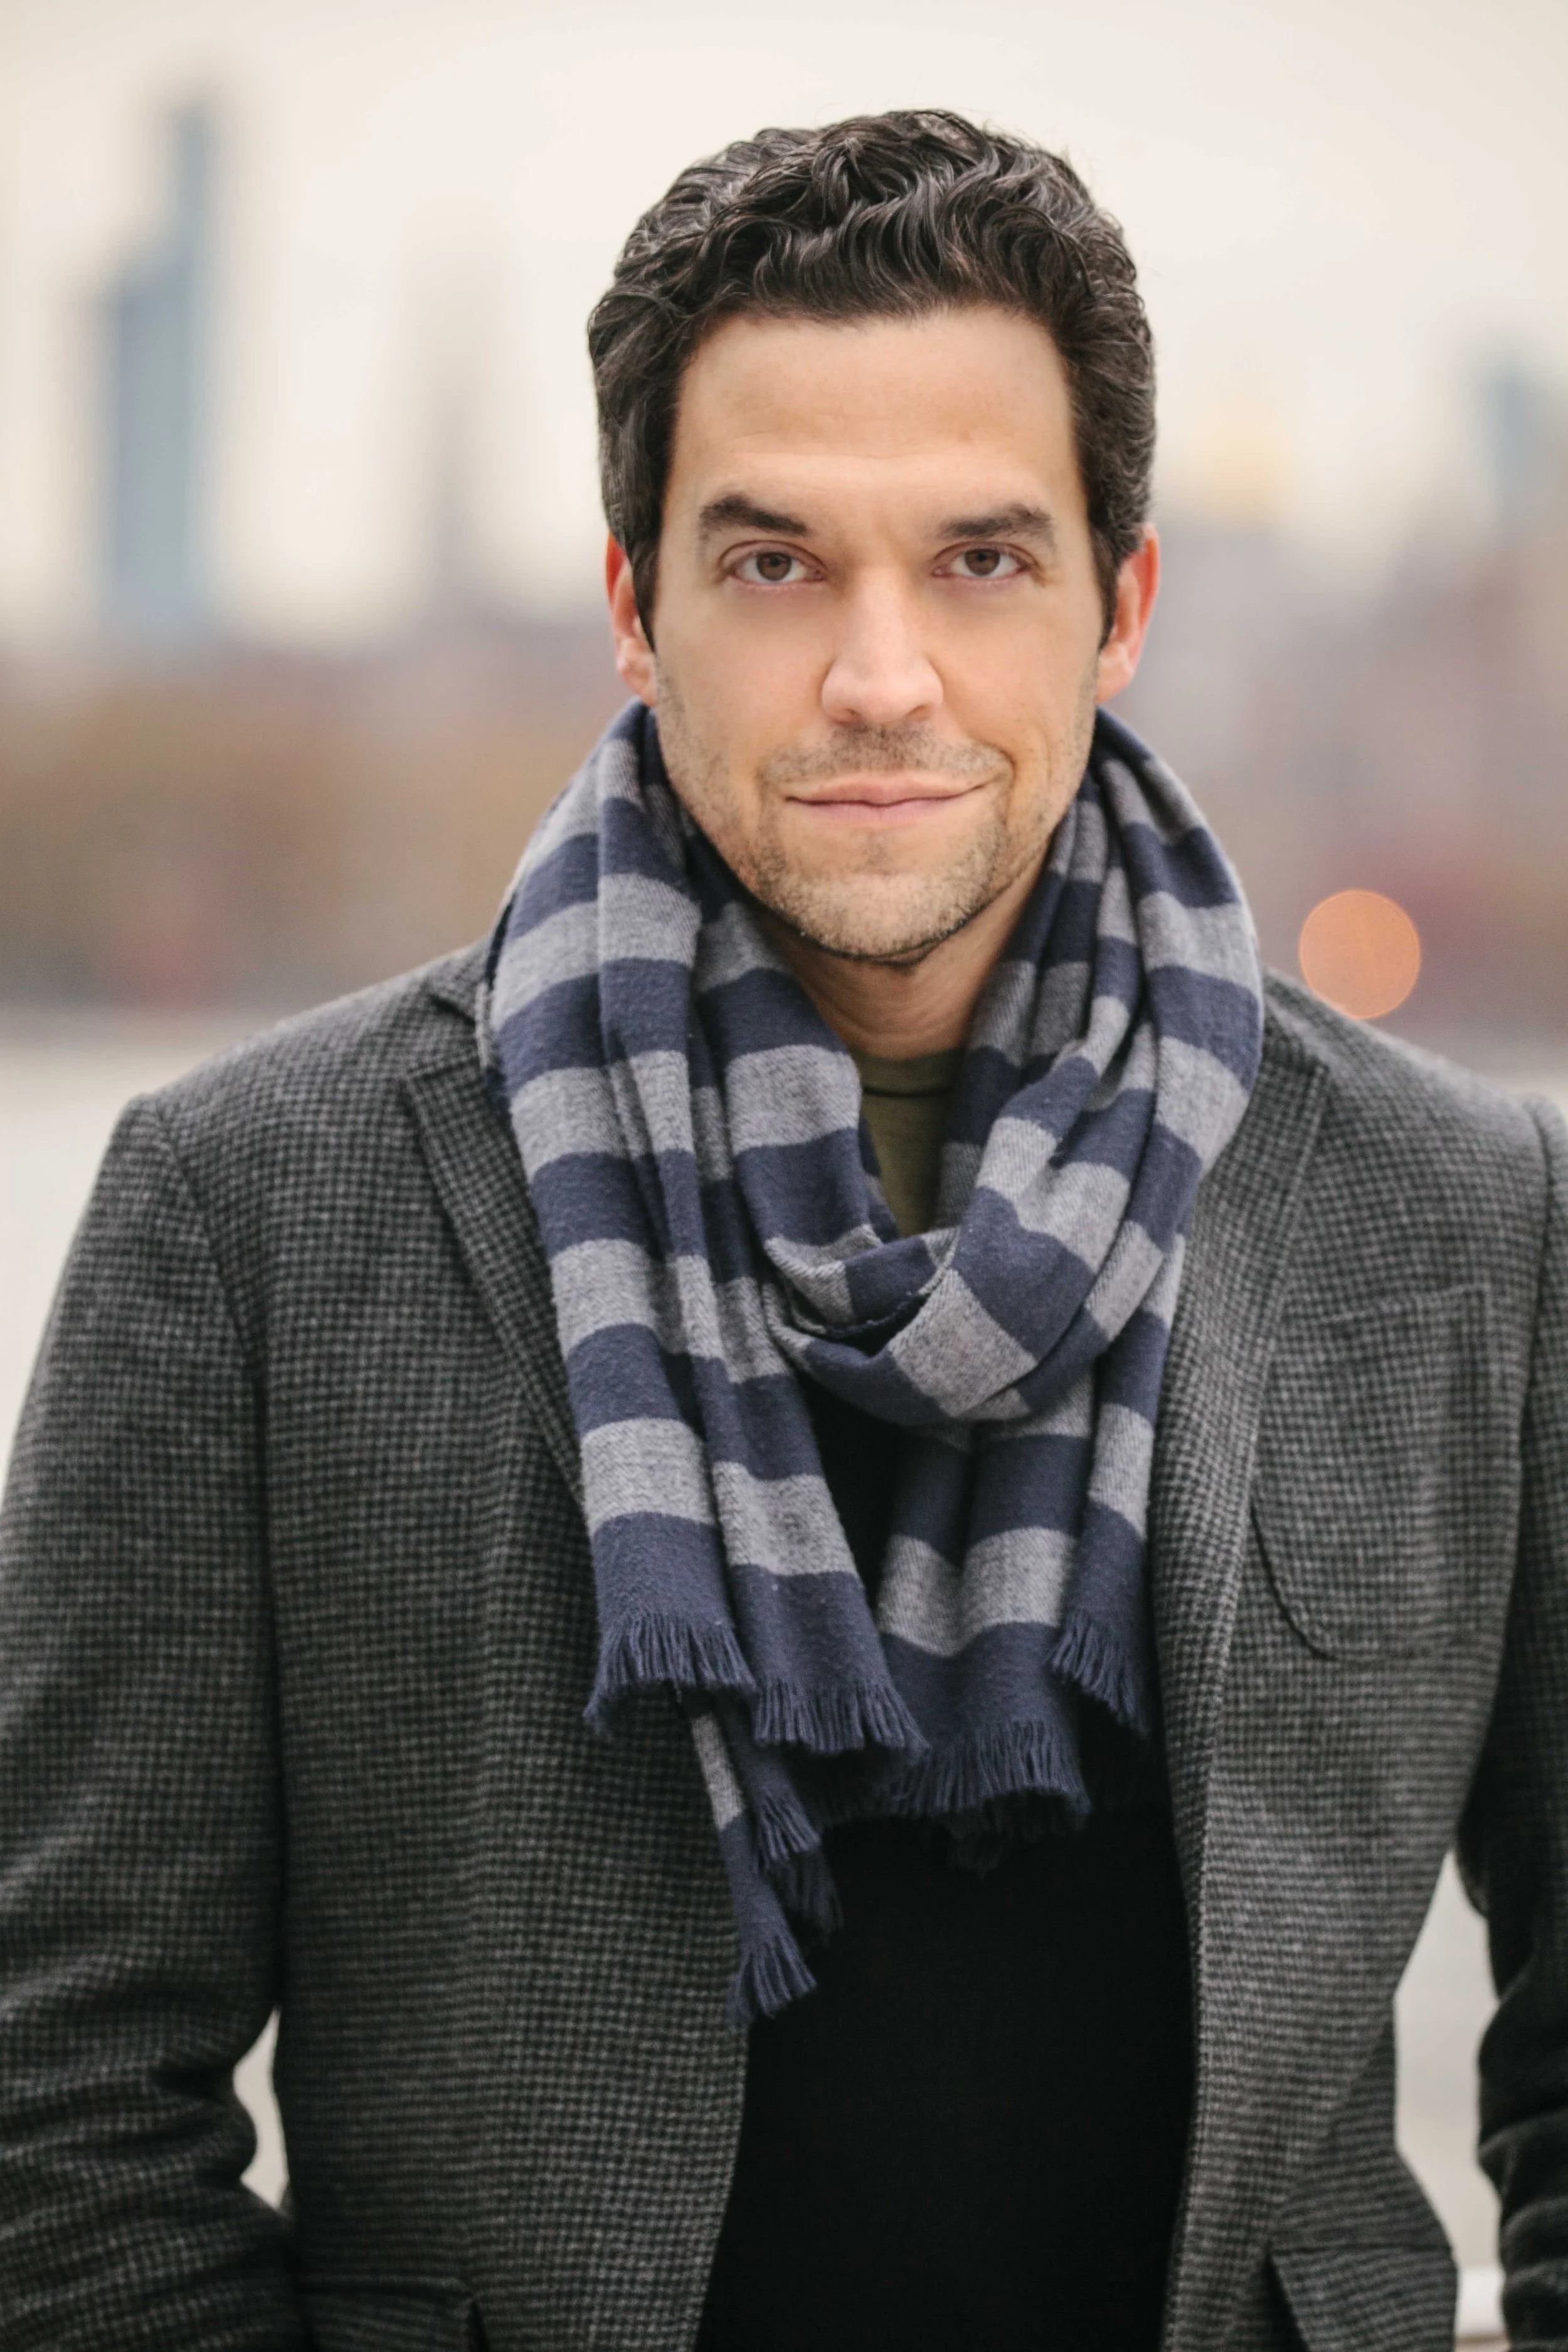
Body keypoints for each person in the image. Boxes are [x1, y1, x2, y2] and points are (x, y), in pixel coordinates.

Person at [0, 109, 1563, 2352]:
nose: (879, 674)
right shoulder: (245, 1214)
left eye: (980, 558)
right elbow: (57, 2113)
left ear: (1122, 604)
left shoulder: (1465, 1219)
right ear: (632, 604)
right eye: (773, 563)